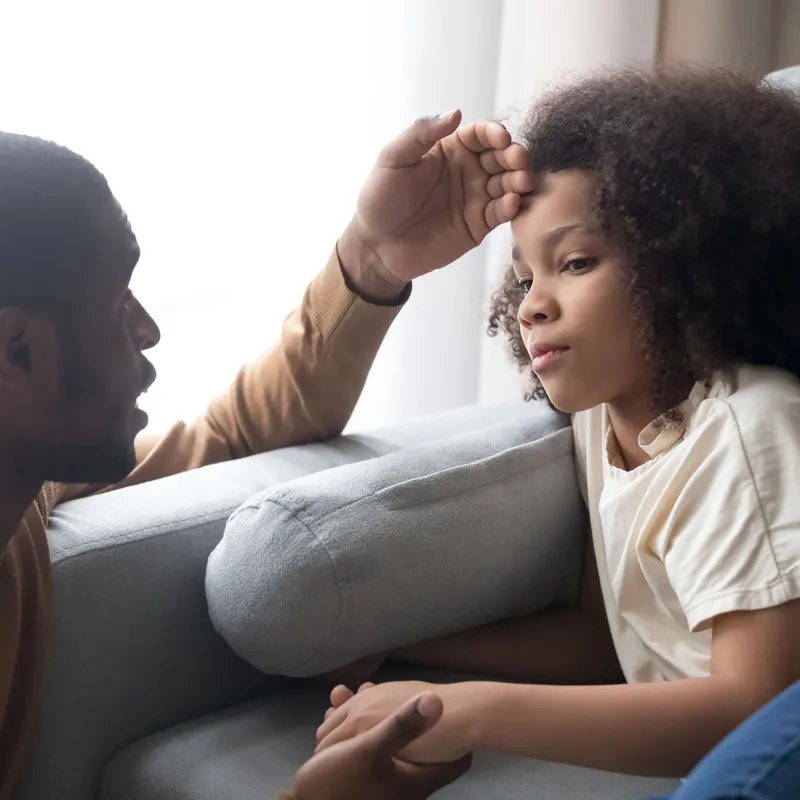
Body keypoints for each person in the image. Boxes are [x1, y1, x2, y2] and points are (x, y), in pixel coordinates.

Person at [0, 113, 533, 798]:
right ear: (15, 349)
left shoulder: (23, 480)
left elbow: (233, 439)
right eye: (114, 303)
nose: (148, 329)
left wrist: (371, 259)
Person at [314, 64, 800, 781]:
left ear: (683, 260)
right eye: (523, 277)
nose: (532, 305)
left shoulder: (749, 429)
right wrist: (406, 653)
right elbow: (606, 644)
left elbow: (757, 709)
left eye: (574, 262)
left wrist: (467, 712)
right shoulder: (602, 421)